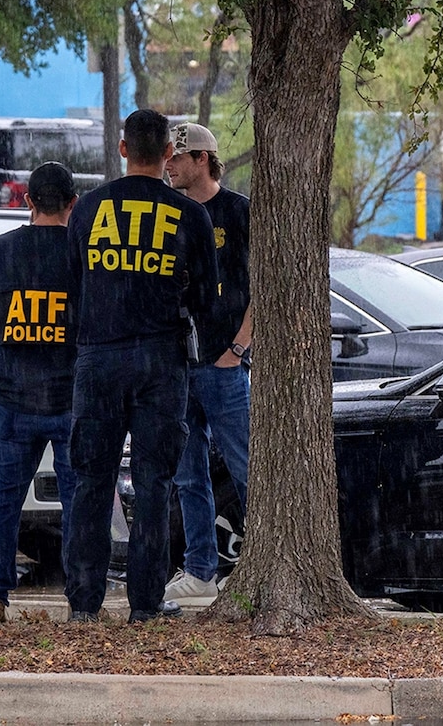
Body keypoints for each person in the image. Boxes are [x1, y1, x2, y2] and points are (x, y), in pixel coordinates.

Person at [63, 109, 219, 624]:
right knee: (155, 482)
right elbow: (206, 300)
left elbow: (71, 288)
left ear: (124, 148)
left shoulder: (87, 209)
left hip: (99, 356)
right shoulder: (191, 216)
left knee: (92, 479)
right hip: (161, 360)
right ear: (169, 156)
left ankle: (84, 603)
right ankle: (146, 603)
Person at [0, 162, 80, 629]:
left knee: (3, 499)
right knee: (79, 499)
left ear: (28, 201)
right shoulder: (82, 255)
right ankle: (82, 598)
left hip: (14, 397)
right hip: (69, 396)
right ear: (73, 203)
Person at [161, 123, 252, 603]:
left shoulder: (238, 212)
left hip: (223, 366)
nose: (169, 166)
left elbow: (264, 289)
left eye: (177, 158)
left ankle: (261, 562)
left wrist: (236, 350)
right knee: (188, 473)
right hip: (178, 365)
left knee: (245, 467)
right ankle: (200, 570)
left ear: (203, 159)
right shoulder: (169, 215)